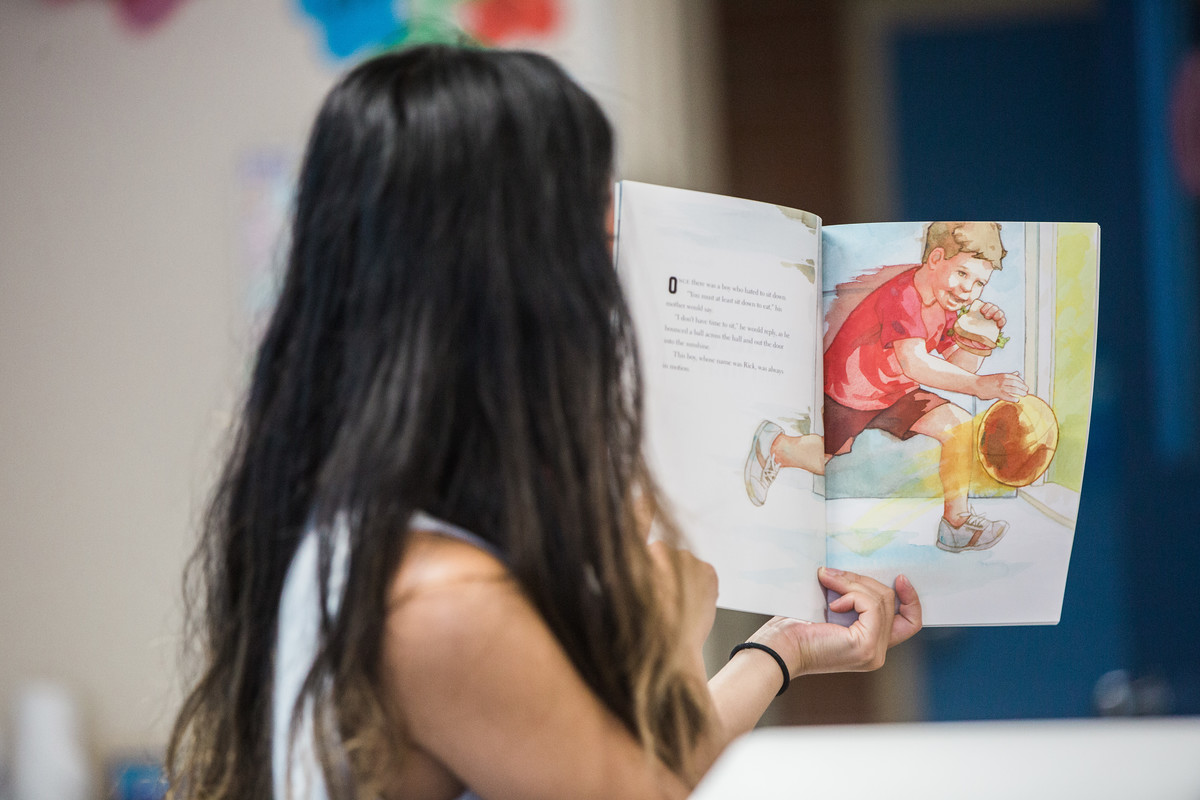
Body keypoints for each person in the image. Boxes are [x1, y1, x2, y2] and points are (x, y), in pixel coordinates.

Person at [166, 44, 922, 800]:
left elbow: (613, 771)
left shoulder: (378, 539)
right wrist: (664, 636)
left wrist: (781, 650)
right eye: (595, 242)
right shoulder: (441, 605)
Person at [743, 222, 1027, 553]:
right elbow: (916, 363)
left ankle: (956, 524)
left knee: (960, 425)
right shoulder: (903, 296)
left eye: (979, 283)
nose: (969, 290)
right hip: (851, 392)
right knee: (824, 458)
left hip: (896, 390)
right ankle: (775, 445)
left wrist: (980, 337)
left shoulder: (946, 302)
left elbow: (956, 366)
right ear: (935, 258)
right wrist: (980, 386)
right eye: (963, 274)